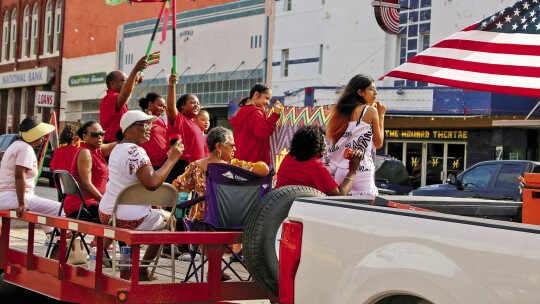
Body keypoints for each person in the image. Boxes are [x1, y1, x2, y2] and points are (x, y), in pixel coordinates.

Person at [172, 126, 269, 280]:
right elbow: (264, 169)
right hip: (237, 221)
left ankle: (214, 266)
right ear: (218, 146)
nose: (235, 148)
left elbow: (177, 186)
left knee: (203, 221)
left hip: (207, 224)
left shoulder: (195, 168)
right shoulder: (235, 167)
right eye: (232, 145)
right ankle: (217, 269)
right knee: (213, 221)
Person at [98, 110, 184, 281]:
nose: (149, 128)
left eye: (150, 124)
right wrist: (172, 159)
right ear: (129, 128)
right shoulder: (136, 151)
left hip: (107, 213)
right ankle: (143, 270)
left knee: (155, 213)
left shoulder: (117, 148)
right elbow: (151, 183)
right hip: (128, 217)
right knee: (169, 220)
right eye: (144, 124)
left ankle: (128, 263)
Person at [324, 74, 387, 196]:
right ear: (360, 92)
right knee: (364, 209)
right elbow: (378, 143)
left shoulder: (340, 112)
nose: (376, 93)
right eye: (372, 89)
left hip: (340, 169)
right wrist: (382, 116)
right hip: (361, 169)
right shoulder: (370, 111)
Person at [0, 117, 62, 234]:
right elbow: (19, 176)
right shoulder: (25, 149)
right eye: (40, 135)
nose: (43, 138)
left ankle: (53, 238)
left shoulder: (15, 145)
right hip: (15, 197)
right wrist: (22, 203)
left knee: (43, 212)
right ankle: (61, 240)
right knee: (62, 209)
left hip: (6, 196)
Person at [276, 125, 362, 195]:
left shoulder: (288, 158)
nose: (325, 146)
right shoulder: (315, 165)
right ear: (315, 146)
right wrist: (353, 170)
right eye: (322, 142)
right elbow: (339, 196)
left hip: (277, 205)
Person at [62, 122, 116, 221]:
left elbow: (117, 145)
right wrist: (104, 202)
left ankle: (100, 237)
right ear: (84, 136)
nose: (99, 137)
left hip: (93, 203)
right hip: (81, 205)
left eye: (102, 134)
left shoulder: (97, 150)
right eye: (95, 135)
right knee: (118, 217)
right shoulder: (85, 152)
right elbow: (86, 184)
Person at [165, 73, 208, 182]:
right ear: (182, 105)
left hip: (196, 168)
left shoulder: (194, 123)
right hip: (183, 168)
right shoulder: (179, 118)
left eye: (198, 103)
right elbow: (170, 107)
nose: (196, 105)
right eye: (192, 102)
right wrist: (172, 86)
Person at [230, 83, 283, 165]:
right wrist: (275, 114)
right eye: (266, 98)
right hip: (253, 163)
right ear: (256, 94)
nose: (268, 103)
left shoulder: (242, 111)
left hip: (240, 161)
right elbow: (263, 132)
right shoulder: (256, 112)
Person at [100, 56, 148, 143]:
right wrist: (135, 70)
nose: (126, 83)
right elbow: (124, 96)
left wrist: (134, 83)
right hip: (111, 144)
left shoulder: (118, 99)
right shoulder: (109, 98)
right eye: (124, 80)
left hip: (118, 143)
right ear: (112, 84)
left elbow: (125, 97)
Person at [139, 92, 169, 170]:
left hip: (163, 162)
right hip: (149, 163)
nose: (162, 109)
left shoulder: (161, 120)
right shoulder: (141, 119)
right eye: (159, 105)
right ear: (150, 103)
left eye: (163, 107)